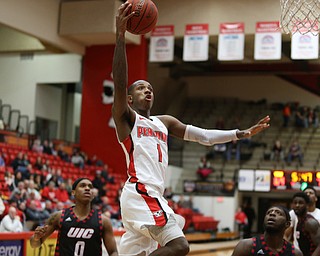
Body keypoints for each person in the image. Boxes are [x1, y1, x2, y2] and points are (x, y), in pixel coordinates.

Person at [112, 2, 270, 255]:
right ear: (129, 99)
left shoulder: (164, 122)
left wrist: (239, 134)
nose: (148, 89)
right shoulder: (127, 118)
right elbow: (119, 84)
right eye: (141, 87)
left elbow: (204, 136)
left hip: (151, 196)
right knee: (179, 246)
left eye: (150, 87)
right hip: (140, 191)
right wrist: (120, 37)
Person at [30, 177, 118, 256]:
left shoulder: (103, 221)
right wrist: (36, 238)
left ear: (93, 194)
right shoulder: (58, 216)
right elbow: (35, 244)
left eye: (90, 187)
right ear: (73, 192)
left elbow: (113, 252)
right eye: (82, 186)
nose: (87, 188)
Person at [232, 205, 303, 256]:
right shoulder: (246, 246)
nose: (272, 214)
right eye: (269, 213)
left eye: (278, 213)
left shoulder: (295, 253)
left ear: (287, 224)